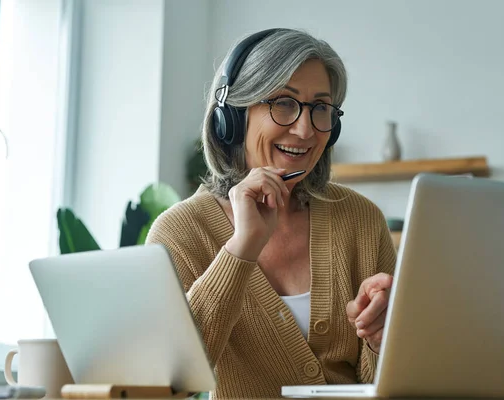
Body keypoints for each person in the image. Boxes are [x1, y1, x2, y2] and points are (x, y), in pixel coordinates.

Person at [146, 28, 396, 399]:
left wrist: (381, 340)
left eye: (321, 108)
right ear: (232, 117)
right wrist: (241, 247)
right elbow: (168, 380)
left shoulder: (361, 220)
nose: (304, 129)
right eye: (283, 103)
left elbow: (392, 384)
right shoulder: (180, 232)